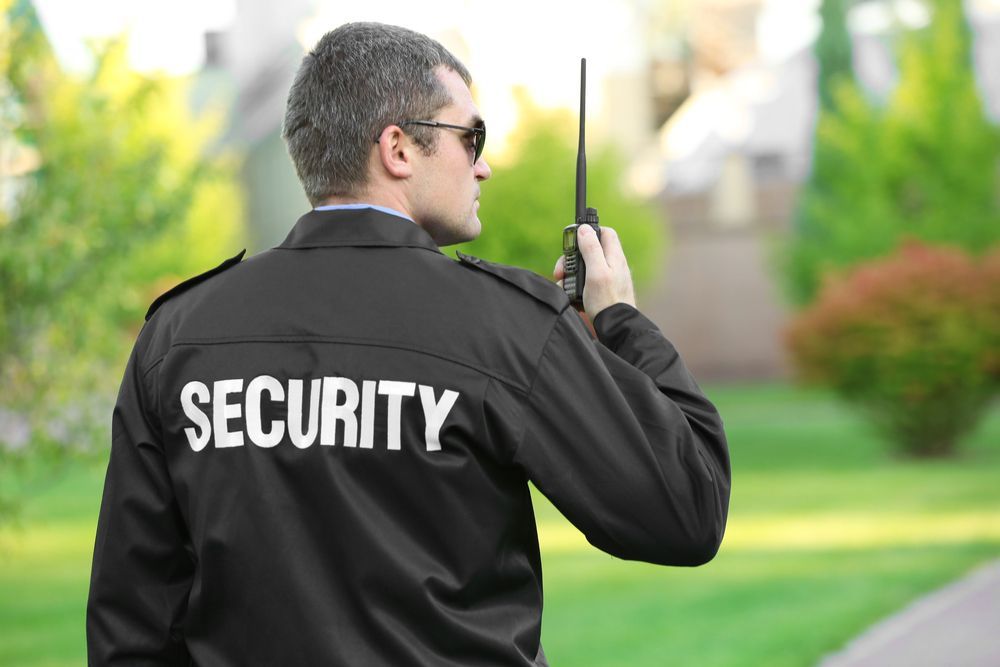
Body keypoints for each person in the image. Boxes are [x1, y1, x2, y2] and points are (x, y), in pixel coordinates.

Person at [86, 21, 731, 667]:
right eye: (471, 137)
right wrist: (619, 320)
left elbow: (133, 623)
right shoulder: (505, 325)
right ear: (397, 149)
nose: (484, 165)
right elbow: (687, 507)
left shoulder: (179, 335)